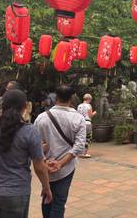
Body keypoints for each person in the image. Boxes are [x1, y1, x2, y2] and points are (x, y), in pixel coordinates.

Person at [0, 89, 52, 218]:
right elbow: (39, 167)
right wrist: (46, 187)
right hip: (16, 193)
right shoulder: (30, 131)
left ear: (1, 105)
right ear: (25, 107)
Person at [35, 85, 86, 218]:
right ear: (71, 98)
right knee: (59, 201)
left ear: (55, 98)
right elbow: (80, 146)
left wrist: (44, 162)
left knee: (46, 196)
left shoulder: (41, 118)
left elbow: (34, 145)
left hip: (45, 166)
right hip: (66, 167)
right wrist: (61, 163)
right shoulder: (78, 118)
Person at [77, 94, 96, 158]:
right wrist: (95, 113)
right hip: (87, 123)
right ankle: (84, 153)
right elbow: (90, 116)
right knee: (87, 138)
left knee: (81, 138)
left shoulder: (79, 106)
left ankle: (79, 152)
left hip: (80, 123)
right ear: (89, 99)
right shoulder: (88, 106)